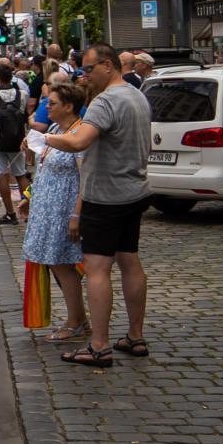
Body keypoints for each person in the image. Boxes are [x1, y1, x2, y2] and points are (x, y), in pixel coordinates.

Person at [42, 43, 152, 368]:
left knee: (97, 269)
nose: (84, 76)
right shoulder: (136, 95)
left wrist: (43, 140)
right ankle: (135, 336)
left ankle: (99, 345)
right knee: (130, 261)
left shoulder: (106, 101)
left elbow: (78, 141)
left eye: (89, 69)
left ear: (107, 65)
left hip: (105, 195)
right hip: (134, 190)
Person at [22, 82, 89, 343]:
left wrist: (76, 215)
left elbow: (85, 178)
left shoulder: (79, 134)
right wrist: (30, 197)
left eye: (51, 103)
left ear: (69, 106)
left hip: (63, 211)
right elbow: (44, 168)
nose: (46, 107)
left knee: (63, 266)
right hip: (47, 210)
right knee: (56, 264)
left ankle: (75, 322)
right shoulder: (53, 130)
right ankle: (79, 319)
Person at [0, 62, 33, 225]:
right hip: (18, 138)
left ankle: (10, 213)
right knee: (20, 173)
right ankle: (28, 211)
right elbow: (26, 110)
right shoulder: (23, 94)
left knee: (1, 174)